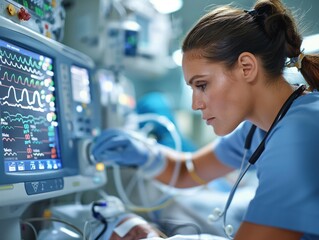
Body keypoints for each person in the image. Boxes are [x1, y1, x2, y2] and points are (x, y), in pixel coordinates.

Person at [91, 0, 319, 239]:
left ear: (246, 67)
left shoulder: (298, 135)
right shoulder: (258, 129)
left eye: (202, 85)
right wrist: (147, 156)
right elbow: (189, 172)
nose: (195, 104)